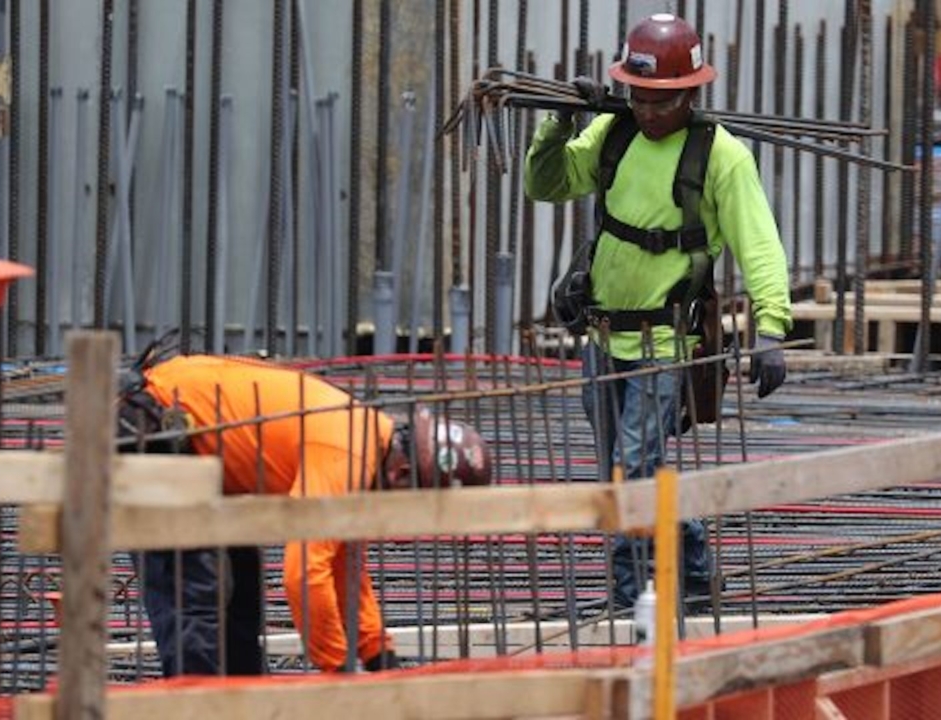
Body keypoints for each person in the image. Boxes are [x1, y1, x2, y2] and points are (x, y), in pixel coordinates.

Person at [524, 13, 792, 609]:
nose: (647, 112)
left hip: (663, 348)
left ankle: (629, 601)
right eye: (638, 97)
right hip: (602, 339)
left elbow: (760, 245)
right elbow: (545, 185)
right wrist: (562, 121)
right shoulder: (610, 136)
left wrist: (770, 328)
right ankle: (695, 576)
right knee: (622, 480)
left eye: (661, 101)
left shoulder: (720, 156)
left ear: (690, 92)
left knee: (631, 477)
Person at [116, 345, 492, 676]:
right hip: (157, 425)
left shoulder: (363, 443)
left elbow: (343, 564)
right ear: (404, 473)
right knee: (196, 591)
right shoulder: (347, 454)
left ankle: (244, 706)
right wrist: (337, 665)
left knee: (242, 591)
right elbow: (305, 573)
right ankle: (195, 708)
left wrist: (377, 652)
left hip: (197, 444)